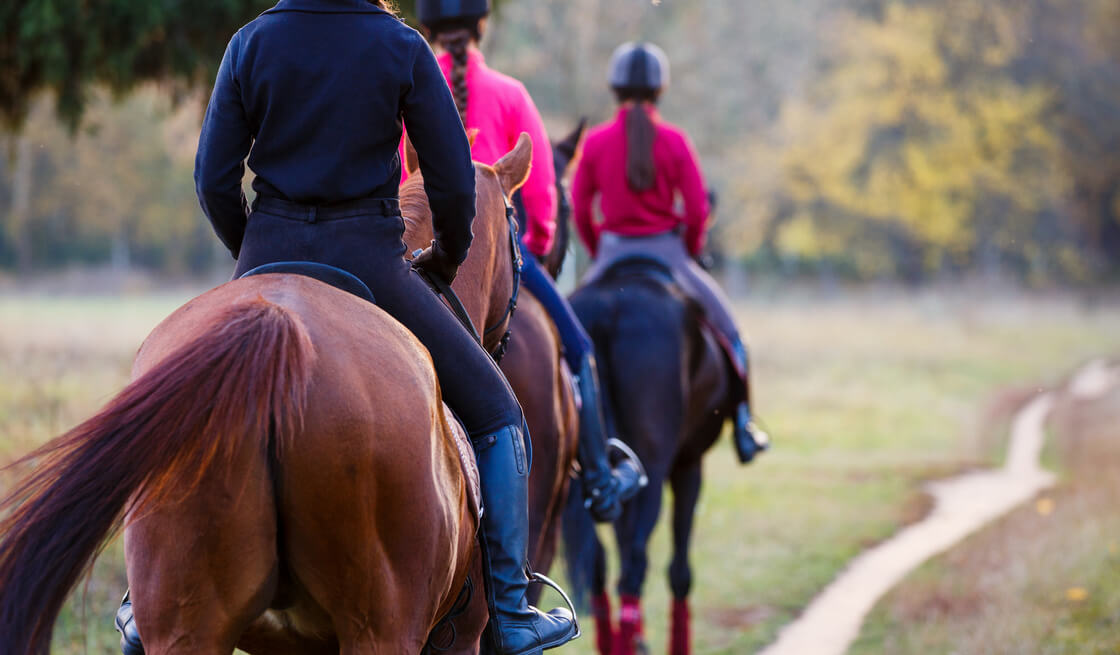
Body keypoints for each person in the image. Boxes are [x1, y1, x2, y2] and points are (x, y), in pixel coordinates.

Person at [113, 2, 577, 654]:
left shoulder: (250, 43)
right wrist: (441, 262)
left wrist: (255, 256)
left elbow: (213, 178)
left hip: (264, 254)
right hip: (373, 263)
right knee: (501, 414)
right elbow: (451, 184)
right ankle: (510, 605)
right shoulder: (400, 46)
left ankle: (147, 598)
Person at [410, 0, 644, 523]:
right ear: (481, 27)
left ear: (427, 28)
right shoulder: (512, 93)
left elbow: (402, 180)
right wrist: (535, 242)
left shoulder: (409, 84)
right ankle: (601, 480)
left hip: (418, 259)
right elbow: (540, 195)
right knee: (578, 349)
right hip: (498, 252)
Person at [571, 42, 768, 464]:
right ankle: (746, 426)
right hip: (670, 253)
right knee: (732, 334)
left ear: (614, 88)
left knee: (564, 331)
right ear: (661, 90)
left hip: (610, 252)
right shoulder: (676, 141)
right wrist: (689, 253)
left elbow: (581, 206)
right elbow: (697, 211)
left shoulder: (597, 142)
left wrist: (598, 248)